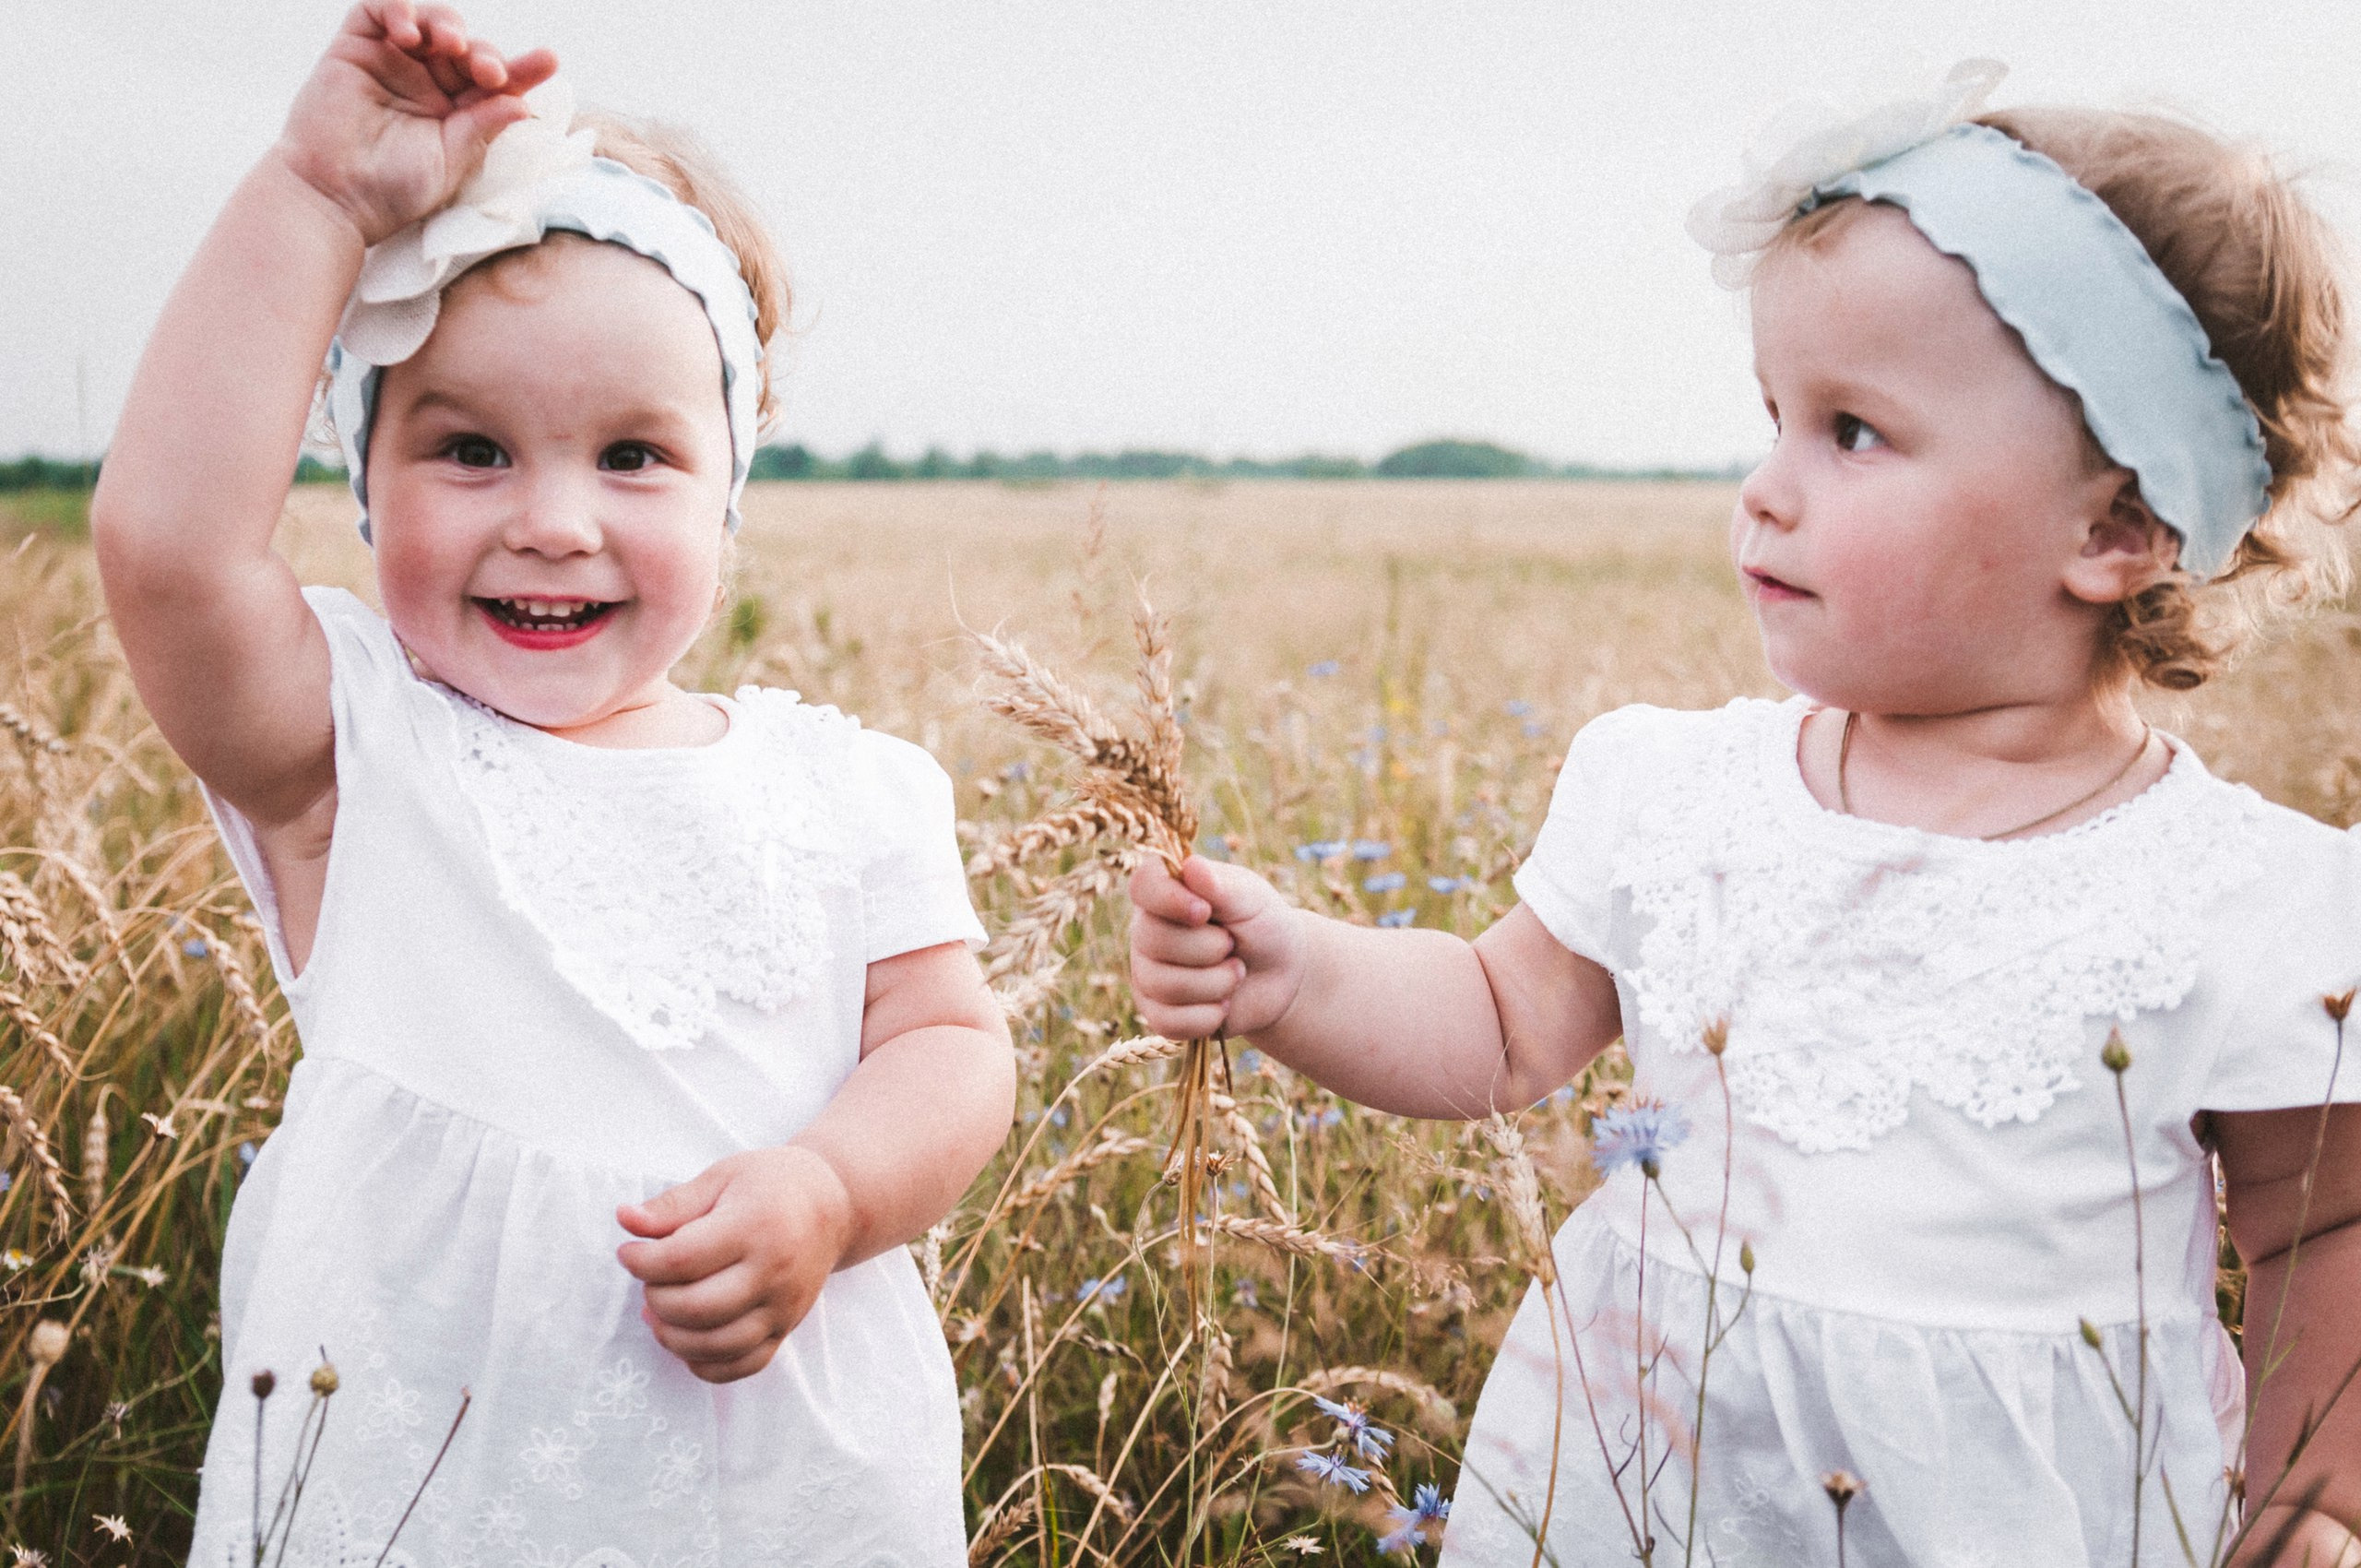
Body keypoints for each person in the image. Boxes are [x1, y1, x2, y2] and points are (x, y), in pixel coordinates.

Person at [1129, 63, 2361, 1566]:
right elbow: (1497, 1025)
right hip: (1656, 1485)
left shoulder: (2241, 897)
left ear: (2113, 528)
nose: (1765, 489)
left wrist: (2316, 1504)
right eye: (1774, 417)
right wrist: (1294, 975)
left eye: (1854, 432)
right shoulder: (1681, 792)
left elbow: (2320, 1231)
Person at [89, 5, 1012, 1562]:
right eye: (471, 450)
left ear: (731, 492)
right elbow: (167, 551)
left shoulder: (848, 790)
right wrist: (319, 197)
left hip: (775, 1495)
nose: (555, 522)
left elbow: (951, 1047)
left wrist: (832, 1194)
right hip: (423, 1492)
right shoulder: (352, 753)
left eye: (634, 457)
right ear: (363, 479)